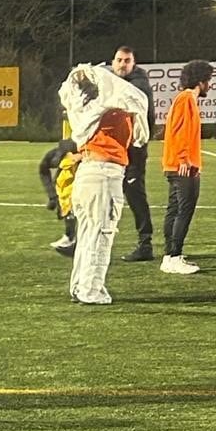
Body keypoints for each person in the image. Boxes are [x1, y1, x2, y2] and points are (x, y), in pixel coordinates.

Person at [58, 64, 149, 304]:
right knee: (101, 234)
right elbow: (139, 124)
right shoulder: (113, 111)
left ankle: (80, 286)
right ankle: (91, 290)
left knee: (88, 233)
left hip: (88, 173)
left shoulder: (87, 112)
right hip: (104, 175)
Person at [160, 59, 214, 274]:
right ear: (200, 81)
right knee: (183, 211)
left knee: (174, 210)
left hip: (177, 163)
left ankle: (170, 256)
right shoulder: (186, 100)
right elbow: (179, 131)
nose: (209, 85)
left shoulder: (184, 99)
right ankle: (174, 256)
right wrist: (184, 158)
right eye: (208, 81)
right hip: (183, 166)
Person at [109, 46, 157, 262]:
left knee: (134, 192)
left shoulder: (139, 81)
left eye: (127, 61)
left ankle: (145, 243)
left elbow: (125, 95)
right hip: (114, 145)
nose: (122, 64)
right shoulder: (113, 76)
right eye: (119, 60)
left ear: (134, 63)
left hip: (134, 148)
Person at [38, 134, 78, 255]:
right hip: (68, 185)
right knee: (67, 205)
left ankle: (76, 239)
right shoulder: (57, 154)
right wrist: (52, 195)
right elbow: (43, 169)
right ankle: (70, 236)